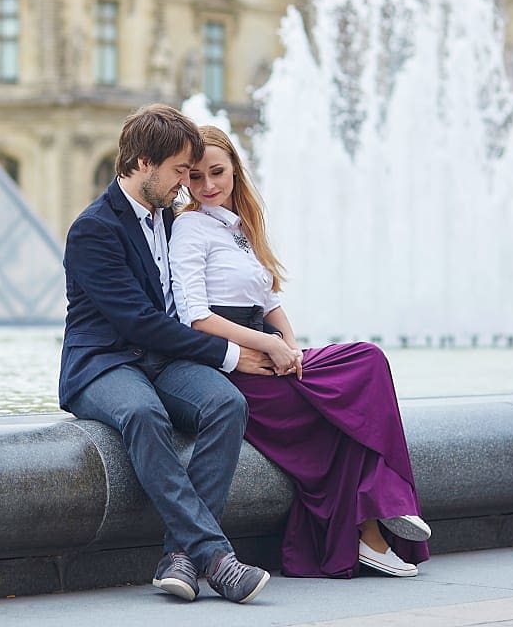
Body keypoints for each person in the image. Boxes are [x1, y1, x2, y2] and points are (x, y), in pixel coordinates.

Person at [169, 125, 431, 579]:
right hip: (235, 365)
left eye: (217, 172)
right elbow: (195, 316)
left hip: (268, 351)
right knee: (344, 411)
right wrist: (268, 344)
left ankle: (380, 515)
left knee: (367, 361)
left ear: (235, 170)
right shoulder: (190, 226)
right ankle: (378, 519)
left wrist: (292, 348)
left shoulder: (242, 227)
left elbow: (270, 300)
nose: (208, 185)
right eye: (195, 177)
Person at [58, 104, 274, 604]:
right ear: (143, 164)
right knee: (143, 414)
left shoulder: (173, 220)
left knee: (226, 404)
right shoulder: (94, 229)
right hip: (105, 363)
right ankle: (215, 558)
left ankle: (179, 555)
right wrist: (230, 354)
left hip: (160, 360)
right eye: (179, 170)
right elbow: (139, 323)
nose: (185, 184)